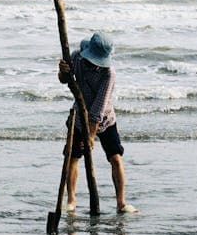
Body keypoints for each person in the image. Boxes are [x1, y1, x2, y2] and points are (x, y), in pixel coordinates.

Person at [58, 31, 138, 214]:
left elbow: (97, 111)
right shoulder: (77, 57)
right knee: (72, 158)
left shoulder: (109, 74)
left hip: (105, 120)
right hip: (78, 116)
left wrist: (91, 138)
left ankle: (121, 202)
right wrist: (62, 71)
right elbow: (64, 81)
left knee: (115, 158)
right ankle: (71, 201)